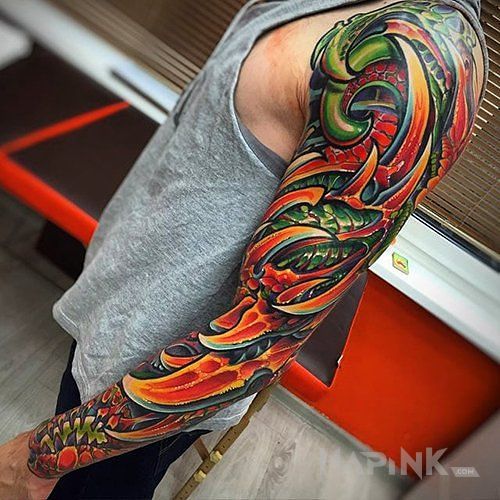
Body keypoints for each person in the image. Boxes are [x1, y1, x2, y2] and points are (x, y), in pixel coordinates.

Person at [0, 0, 487, 498]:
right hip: (119, 315)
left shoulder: (413, 59)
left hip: (150, 384)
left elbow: (260, 339)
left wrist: (35, 460)